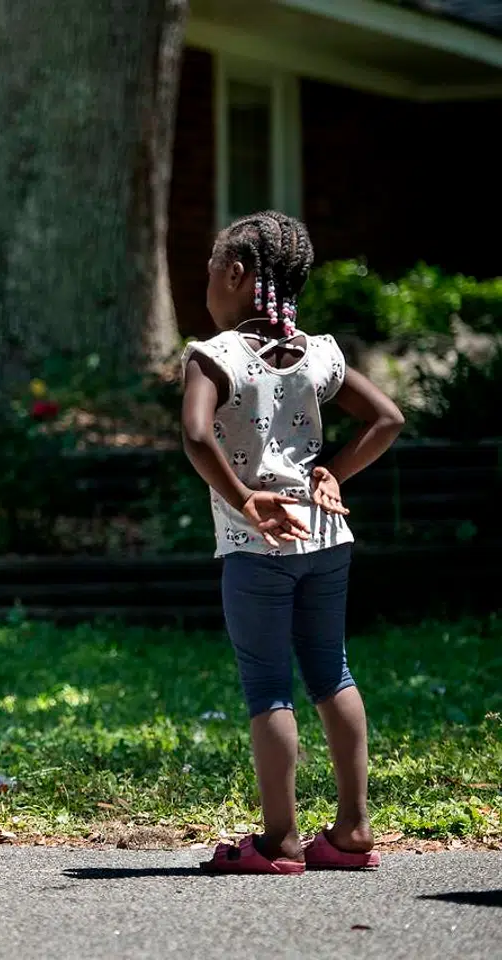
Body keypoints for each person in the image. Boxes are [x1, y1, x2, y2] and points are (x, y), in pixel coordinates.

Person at [180, 211, 405, 875]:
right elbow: (387, 418)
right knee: (331, 671)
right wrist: (333, 469)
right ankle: (353, 828)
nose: (208, 287)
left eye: (211, 273)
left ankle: (279, 839)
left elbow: (196, 436)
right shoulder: (322, 353)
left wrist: (245, 496)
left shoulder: (214, 357)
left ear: (238, 274)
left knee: (267, 687)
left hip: (256, 546)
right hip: (327, 536)